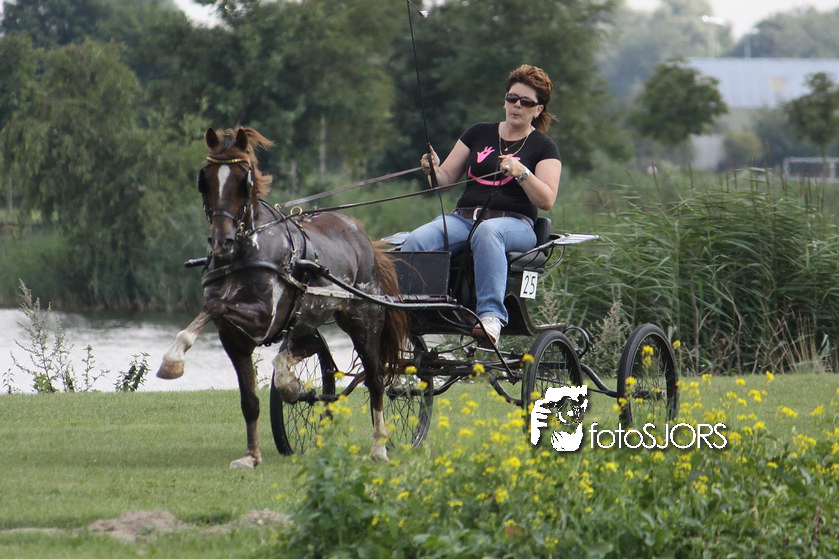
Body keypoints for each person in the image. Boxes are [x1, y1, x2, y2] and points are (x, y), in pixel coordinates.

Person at [401, 64, 562, 345]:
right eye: (512, 98)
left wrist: (522, 173)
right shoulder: (478, 133)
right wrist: (433, 169)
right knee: (416, 240)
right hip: (463, 219)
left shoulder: (544, 147)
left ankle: (490, 317)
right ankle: (416, 312)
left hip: (515, 224)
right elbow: (444, 181)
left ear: (538, 110)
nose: (517, 105)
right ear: (505, 100)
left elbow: (546, 200)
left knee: (488, 232)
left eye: (526, 102)